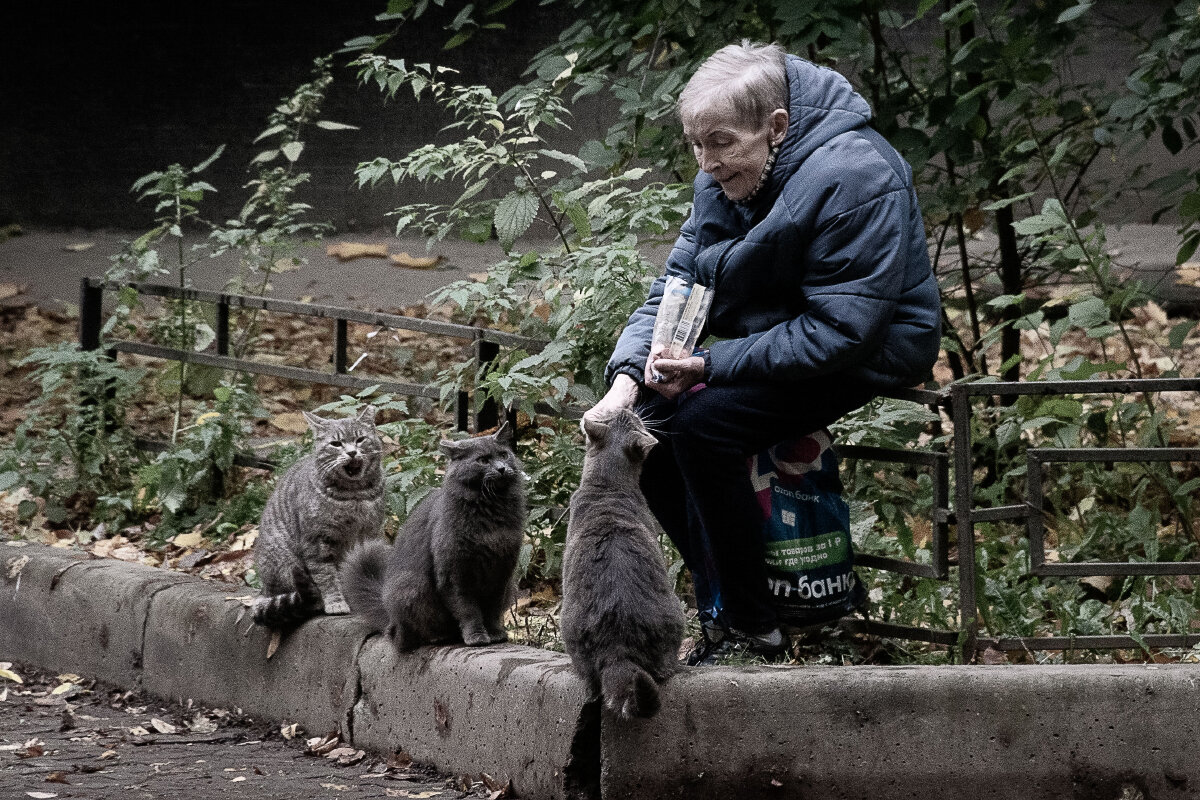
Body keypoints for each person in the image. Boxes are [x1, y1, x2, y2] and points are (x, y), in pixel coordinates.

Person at [581, 41, 941, 659]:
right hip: (786, 332)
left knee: (702, 427)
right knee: (645, 431)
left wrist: (709, 364)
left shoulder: (858, 173)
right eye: (696, 144)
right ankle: (729, 598)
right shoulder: (726, 175)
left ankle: (753, 625)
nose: (707, 161)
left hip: (868, 348)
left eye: (720, 142)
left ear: (775, 126)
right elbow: (677, 286)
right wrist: (624, 385)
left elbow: (842, 328)